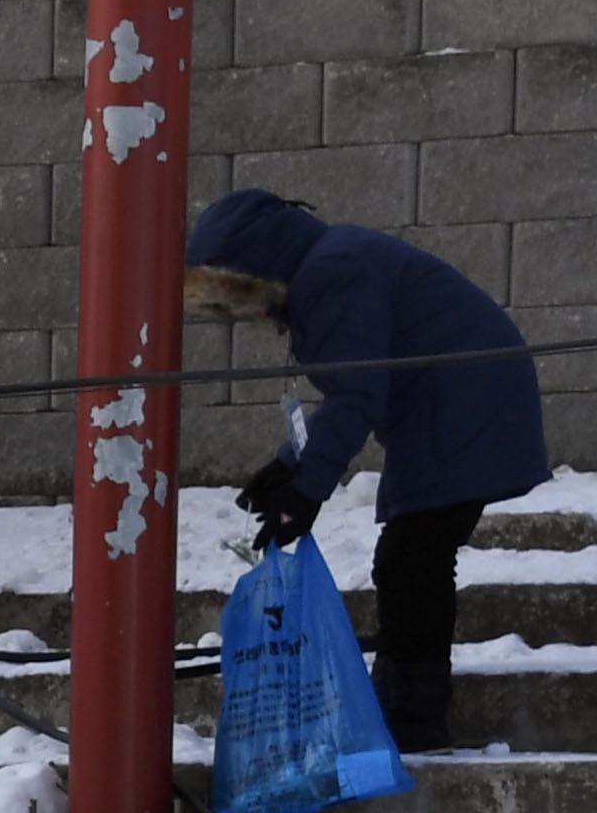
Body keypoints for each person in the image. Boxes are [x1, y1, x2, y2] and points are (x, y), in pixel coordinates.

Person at [183, 187, 551, 754]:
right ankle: (403, 711)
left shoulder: (333, 274)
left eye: (236, 289)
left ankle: (415, 722)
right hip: (459, 406)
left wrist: (305, 490)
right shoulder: (331, 263)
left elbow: (357, 393)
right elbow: (354, 390)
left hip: (465, 409)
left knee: (413, 559)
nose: (239, 310)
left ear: (262, 262)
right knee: (412, 559)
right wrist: (288, 467)